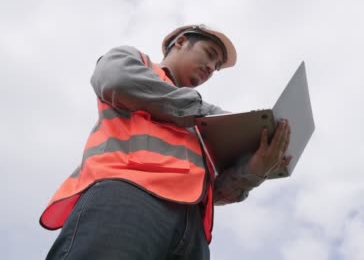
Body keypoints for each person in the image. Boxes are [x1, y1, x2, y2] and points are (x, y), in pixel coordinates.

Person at [40, 24, 291, 260]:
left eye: (215, 67)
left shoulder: (201, 126)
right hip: (129, 197)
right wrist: (209, 112)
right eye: (209, 53)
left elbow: (216, 190)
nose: (210, 68)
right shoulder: (135, 61)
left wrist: (255, 171)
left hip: (192, 231)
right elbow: (116, 79)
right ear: (180, 42)